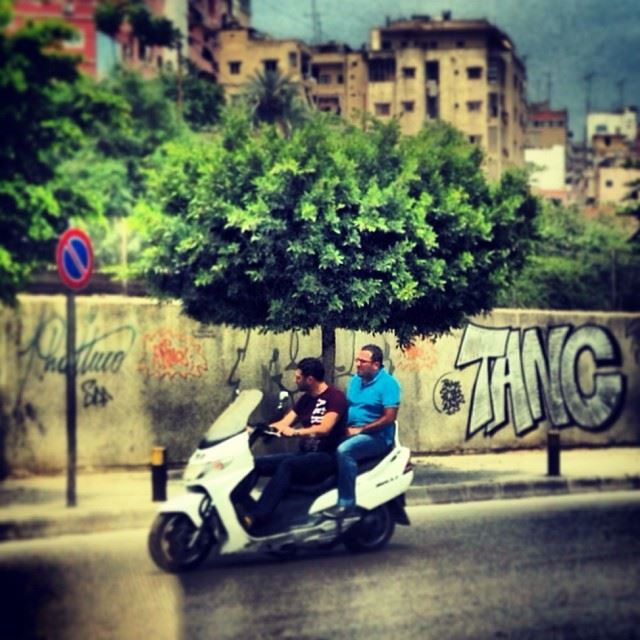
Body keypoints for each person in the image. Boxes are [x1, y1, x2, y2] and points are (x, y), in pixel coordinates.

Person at [241, 357, 347, 530]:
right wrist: (255, 429)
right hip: (304, 455)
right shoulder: (305, 399)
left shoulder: (335, 397)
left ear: (310, 379)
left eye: (298, 377)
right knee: (255, 464)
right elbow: (285, 423)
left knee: (287, 465)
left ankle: (259, 517)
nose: (294, 380)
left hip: (325, 457)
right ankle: (241, 504)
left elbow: (325, 428)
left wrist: (297, 432)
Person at [323, 344, 401, 519]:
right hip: (352, 430)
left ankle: (346, 503)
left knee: (345, 451)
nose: (357, 364)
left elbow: (389, 417)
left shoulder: (389, 384)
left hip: (377, 436)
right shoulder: (355, 381)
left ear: (376, 364)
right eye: (357, 360)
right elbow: (348, 407)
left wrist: (361, 430)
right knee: (319, 444)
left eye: (363, 361)